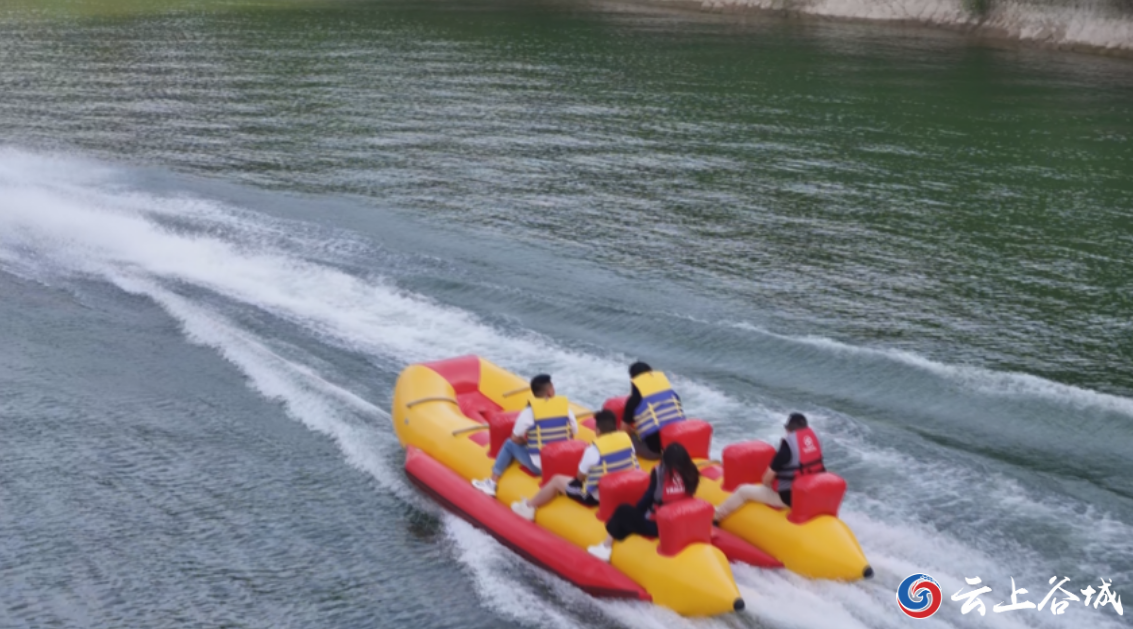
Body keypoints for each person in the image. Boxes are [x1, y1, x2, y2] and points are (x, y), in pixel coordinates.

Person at [510, 410, 638, 520]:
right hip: (623, 489)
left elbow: (580, 477)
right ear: (615, 427)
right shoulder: (627, 441)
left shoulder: (593, 450)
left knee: (556, 480)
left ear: (598, 430)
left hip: (595, 496)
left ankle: (529, 507)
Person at [585, 442, 700, 561]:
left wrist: (635, 511)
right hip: (681, 522)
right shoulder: (692, 472)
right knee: (630, 517)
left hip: (659, 527)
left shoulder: (659, 472)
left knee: (623, 510)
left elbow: (649, 497)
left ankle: (605, 547)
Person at [471, 374, 578, 497]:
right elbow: (573, 432)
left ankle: (492, 483)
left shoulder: (529, 412)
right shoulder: (566, 409)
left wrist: (529, 442)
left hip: (540, 467)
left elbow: (515, 438)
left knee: (509, 444)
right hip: (562, 463)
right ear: (550, 391)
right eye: (552, 386)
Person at [714, 413, 824, 520]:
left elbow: (766, 479)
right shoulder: (814, 441)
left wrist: (767, 486)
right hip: (811, 494)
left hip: (788, 498)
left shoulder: (787, 448)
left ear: (788, 429)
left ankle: (717, 515)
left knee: (743, 491)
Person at [622, 362, 685, 461]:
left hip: (654, 452)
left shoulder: (634, 400)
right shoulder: (671, 394)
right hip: (678, 447)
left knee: (628, 436)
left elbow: (624, 431)